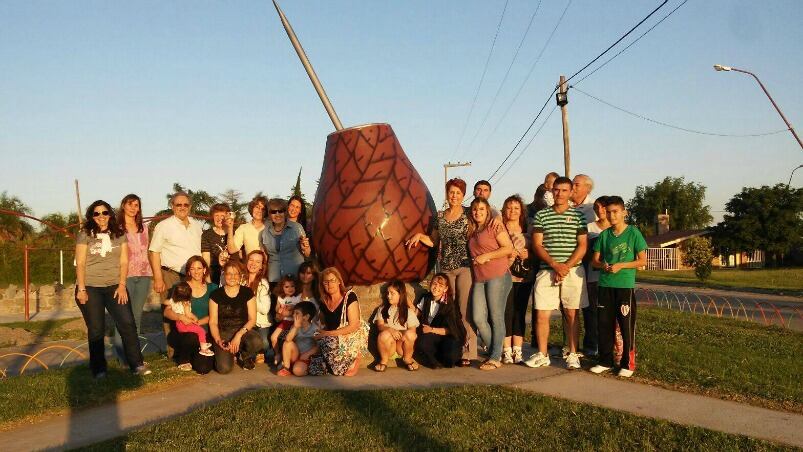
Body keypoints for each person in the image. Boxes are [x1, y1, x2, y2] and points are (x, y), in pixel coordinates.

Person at [405, 178, 476, 366]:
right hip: (446, 269)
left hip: (465, 267)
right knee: (448, 310)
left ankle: (467, 352)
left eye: (458, 193)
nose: (454, 196)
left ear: (463, 195)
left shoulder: (468, 215)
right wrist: (420, 236)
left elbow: (478, 233)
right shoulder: (440, 216)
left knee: (463, 309)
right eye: (451, 192)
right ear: (447, 193)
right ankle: (448, 346)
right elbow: (434, 240)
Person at [75, 200, 149, 378]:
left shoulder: (119, 233)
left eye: (105, 212)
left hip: (115, 286)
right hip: (90, 286)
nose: (101, 217)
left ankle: (136, 364)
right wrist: (82, 289)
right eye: (97, 213)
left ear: (110, 214)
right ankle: (99, 369)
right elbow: (81, 262)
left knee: (128, 323)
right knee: (96, 329)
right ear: (91, 216)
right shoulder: (85, 233)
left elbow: (124, 261)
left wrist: (122, 285)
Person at [524, 177, 589, 370]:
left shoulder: (578, 216)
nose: (559, 194)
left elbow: (583, 245)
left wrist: (566, 266)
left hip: (573, 270)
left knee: (571, 313)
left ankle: (572, 353)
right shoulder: (542, 215)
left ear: (570, 192)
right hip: (547, 270)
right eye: (556, 190)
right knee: (542, 313)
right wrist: (554, 264)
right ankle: (542, 354)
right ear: (552, 192)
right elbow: (537, 244)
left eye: (564, 190)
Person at [591, 196, 647, 378]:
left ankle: (627, 363)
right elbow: (595, 261)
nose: (611, 215)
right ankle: (605, 360)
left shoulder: (633, 233)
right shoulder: (604, 235)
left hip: (624, 286)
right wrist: (604, 265)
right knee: (604, 324)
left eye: (615, 211)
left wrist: (621, 265)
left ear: (624, 213)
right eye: (608, 212)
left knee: (625, 325)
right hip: (605, 285)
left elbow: (642, 260)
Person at [149, 192, 203, 356]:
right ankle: (173, 351)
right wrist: (158, 278)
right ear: (172, 206)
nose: (182, 208)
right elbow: (154, 252)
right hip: (170, 274)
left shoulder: (196, 226)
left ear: (190, 207)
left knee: (189, 311)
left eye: (185, 205)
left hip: (191, 276)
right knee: (171, 312)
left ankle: (191, 348)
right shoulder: (164, 226)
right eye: (178, 204)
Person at [468, 197, 514, 371]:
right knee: (478, 317)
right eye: (474, 209)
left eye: (481, 209)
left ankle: (495, 357)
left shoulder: (494, 225)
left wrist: (486, 256)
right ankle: (496, 351)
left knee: (496, 317)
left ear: (487, 210)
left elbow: (508, 248)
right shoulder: (473, 230)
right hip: (480, 278)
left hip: (498, 276)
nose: (478, 212)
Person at [112, 194, 152, 363]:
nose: (133, 207)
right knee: (123, 316)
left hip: (144, 275)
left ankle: (134, 356)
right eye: (130, 204)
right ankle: (121, 355)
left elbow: (149, 250)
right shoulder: (116, 227)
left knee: (136, 316)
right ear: (123, 206)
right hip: (125, 276)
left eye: (136, 205)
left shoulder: (144, 227)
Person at [306, 267, 368, 376]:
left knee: (326, 341)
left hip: (348, 337)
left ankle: (355, 358)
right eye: (326, 282)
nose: (329, 284)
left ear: (339, 281)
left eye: (333, 280)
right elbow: (323, 325)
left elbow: (354, 325)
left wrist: (327, 334)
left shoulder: (349, 296)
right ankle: (334, 364)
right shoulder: (323, 302)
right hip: (334, 341)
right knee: (314, 369)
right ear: (322, 285)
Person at [163, 256, 216, 373]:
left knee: (204, 368)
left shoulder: (213, 288)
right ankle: (184, 359)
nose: (196, 271)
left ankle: (196, 355)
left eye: (199, 268)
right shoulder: (181, 287)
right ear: (188, 271)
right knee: (191, 337)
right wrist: (180, 317)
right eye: (192, 268)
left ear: (205, 270)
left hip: (205, 333)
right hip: (185, 333)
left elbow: (214, 315)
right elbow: (167, 312)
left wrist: (197, 322)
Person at [209, 261, 264, 373]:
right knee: (224, 369)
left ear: (240, 275)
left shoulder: (247, 293)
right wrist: (218, 340)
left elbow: (252, 319)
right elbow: (213, 322)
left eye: (236, 274)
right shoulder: (215, 295)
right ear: (224, 275)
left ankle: (245, 356)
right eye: (229, 274)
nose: (233, 277)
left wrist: (238, 335)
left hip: (243, 331)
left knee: (257, 341)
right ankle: (228, 353)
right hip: (224, 332)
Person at [501, 195, 534, 364]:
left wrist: (529, 253)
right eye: (509, 207)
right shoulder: (499, 227)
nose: (512, 211)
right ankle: (506, 350)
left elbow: (537, 248)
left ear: (521, 211)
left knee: (520, 312)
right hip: (504, 275)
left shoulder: (528, 227)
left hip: (524, 277)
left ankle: (518, 350)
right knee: (506, 312)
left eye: (516, 208)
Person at [412, 273, 466, 369]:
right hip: (430, 335)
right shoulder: (426, 298)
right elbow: (415, 314)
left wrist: (431, 329)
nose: (436, 287)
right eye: (434, 284)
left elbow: (452, 330)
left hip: (447, 336)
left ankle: (453, 358)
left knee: (450, 357)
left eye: (440, 286)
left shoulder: (450, 305)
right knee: (422, 343)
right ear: (430, 284)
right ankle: (434, 361)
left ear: (445, 289)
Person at [260, 198, 311, 287]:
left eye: (281, 211)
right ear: (269, 214)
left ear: (285, 212)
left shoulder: (297, 228)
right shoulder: (264, 232)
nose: (277, 214)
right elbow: (265, 256)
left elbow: (307, 253)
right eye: (273, 212)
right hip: (274, 279)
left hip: (294, 278)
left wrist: (305, 248)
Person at [583, 196, 611, 357]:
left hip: (611, 278)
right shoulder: (589, 228)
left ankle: (608, 345)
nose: (599, 211)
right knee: (591, 313)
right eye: (596, 208)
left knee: (608, 315)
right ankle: (591, 345)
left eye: (603, 207)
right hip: (592, 277)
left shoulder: (616, 229)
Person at [373, 280, 419, 372]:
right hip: (389, 347)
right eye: (388, 293)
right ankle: (384, 361)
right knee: (383, 334)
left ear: (400, 295)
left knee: (411, 334)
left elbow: (412, 331)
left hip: (401, 347)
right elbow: (380, 326)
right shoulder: (382, 309)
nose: (388, 296)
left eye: (392, 293)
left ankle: (407, 359)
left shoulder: (408, 311)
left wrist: (399, 334)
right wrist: (390, 330)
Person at [166, 282, 214, 356]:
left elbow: (166, 303)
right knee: (201, 331)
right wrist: (195, 319)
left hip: (180, 324)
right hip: (183, 324)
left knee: (198, 331)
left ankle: (202, 346)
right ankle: (203, 347)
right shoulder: (185, 303)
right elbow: (188, 314)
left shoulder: (175, 302)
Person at [243, 249, 272, 364]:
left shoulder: (263, 283)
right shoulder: (240, 279)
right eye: (251, 260)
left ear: (261, 266)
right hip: (244, 321)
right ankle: (249, 352)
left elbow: (265, 309)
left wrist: (250, 298)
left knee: (264, 343)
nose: (253, 264)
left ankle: (259, 352)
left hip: (260, 322)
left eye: (258, 262)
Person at [277, 301, 319, 377]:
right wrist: (296, 327)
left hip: (306, 358)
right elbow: (287, 340)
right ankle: (286, 368)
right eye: (293, 313)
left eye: (297, 313)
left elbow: (318, 346)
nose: (293, 315)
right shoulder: (295, 326)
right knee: (288, 343)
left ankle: (304, 369)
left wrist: (307, 354)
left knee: (297, 371)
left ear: (306, 317)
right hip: (296, 356)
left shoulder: (315, 329)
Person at [270, 274, 301, 365]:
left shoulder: (298, 297)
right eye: (286, 286)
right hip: (284, 322)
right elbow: (277, 310)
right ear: (282, 287)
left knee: (289, 340)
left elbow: (300, 309)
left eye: (292, 286)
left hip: (294, 323)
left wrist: (292, 308)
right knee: (273, 337)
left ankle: (288, 358)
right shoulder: (281, 298)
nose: (290, 288)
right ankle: (277, 354)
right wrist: (279, 310)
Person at [226, 196, 267, 261]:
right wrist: (230, 228)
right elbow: (231, 249)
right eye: (257, 207)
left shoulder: (270, 227)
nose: (259, 211)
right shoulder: (243, 228)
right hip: (251, 267)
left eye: (263, 209)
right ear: (252, 208)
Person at [202, 203, 231, 285]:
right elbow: (206, 260)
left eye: (222, 215)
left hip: (231, 274)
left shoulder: (233, 232)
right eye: (216, 215)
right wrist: (208, 280)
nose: (219, 219)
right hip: (214, 274)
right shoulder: (207, 235)